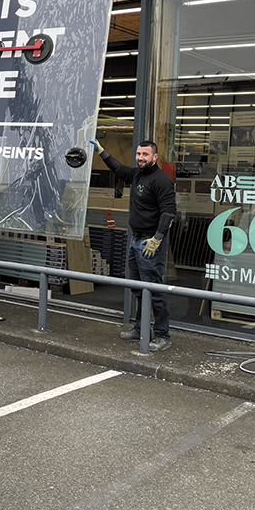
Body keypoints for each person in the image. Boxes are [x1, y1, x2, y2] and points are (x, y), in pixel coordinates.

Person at [89, 137, 176, 351]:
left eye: (145, 154)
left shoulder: (161, 180)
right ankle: (141, 328)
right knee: (137, 287)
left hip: (149, 242)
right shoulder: (137, 174)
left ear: (155, 157)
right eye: (138, 154)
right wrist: (101, 150)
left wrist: (157, 239)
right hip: (135, 239)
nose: (141, 158)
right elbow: (118, 169)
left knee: (153, 290)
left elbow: (169, 211)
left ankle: (163, 335)